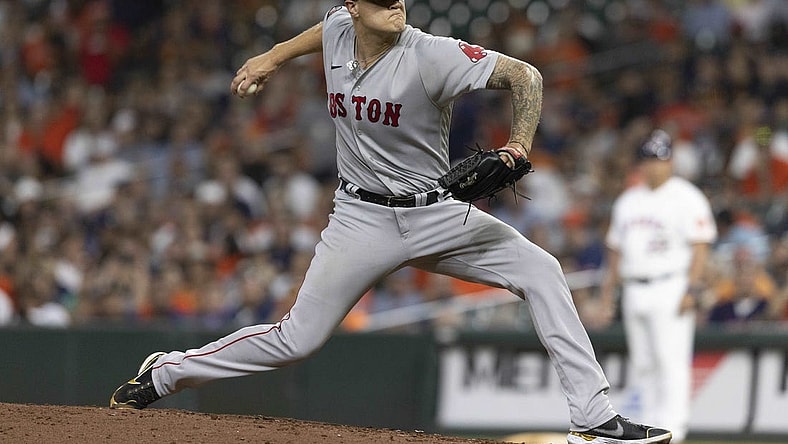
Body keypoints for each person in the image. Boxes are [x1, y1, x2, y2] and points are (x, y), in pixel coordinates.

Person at [109, 2, 672, 443]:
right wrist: (272, 57)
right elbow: (321, 31)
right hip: (360, 219)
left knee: (543, 271)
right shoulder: (337, 30)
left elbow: (527, 76)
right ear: (354, 6)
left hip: (436, 212)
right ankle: (167, 373)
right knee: (297, 339)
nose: (394, 7)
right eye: (380, 2)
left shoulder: (430, 54)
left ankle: (594, 418)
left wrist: (520, 144)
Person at [598, 129, 717, 443]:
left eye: (660, 159)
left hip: (671, 286)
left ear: (671, 161)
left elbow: (700, 246)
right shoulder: (628, 200)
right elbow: (615, 251)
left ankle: (675, 431)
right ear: (641, 164)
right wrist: (608, 294)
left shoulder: (687, 196)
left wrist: (691, 289)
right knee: (643, 364)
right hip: (634, 288)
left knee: (671, 362)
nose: (654, 166)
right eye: (649, 160)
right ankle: (649, 428)